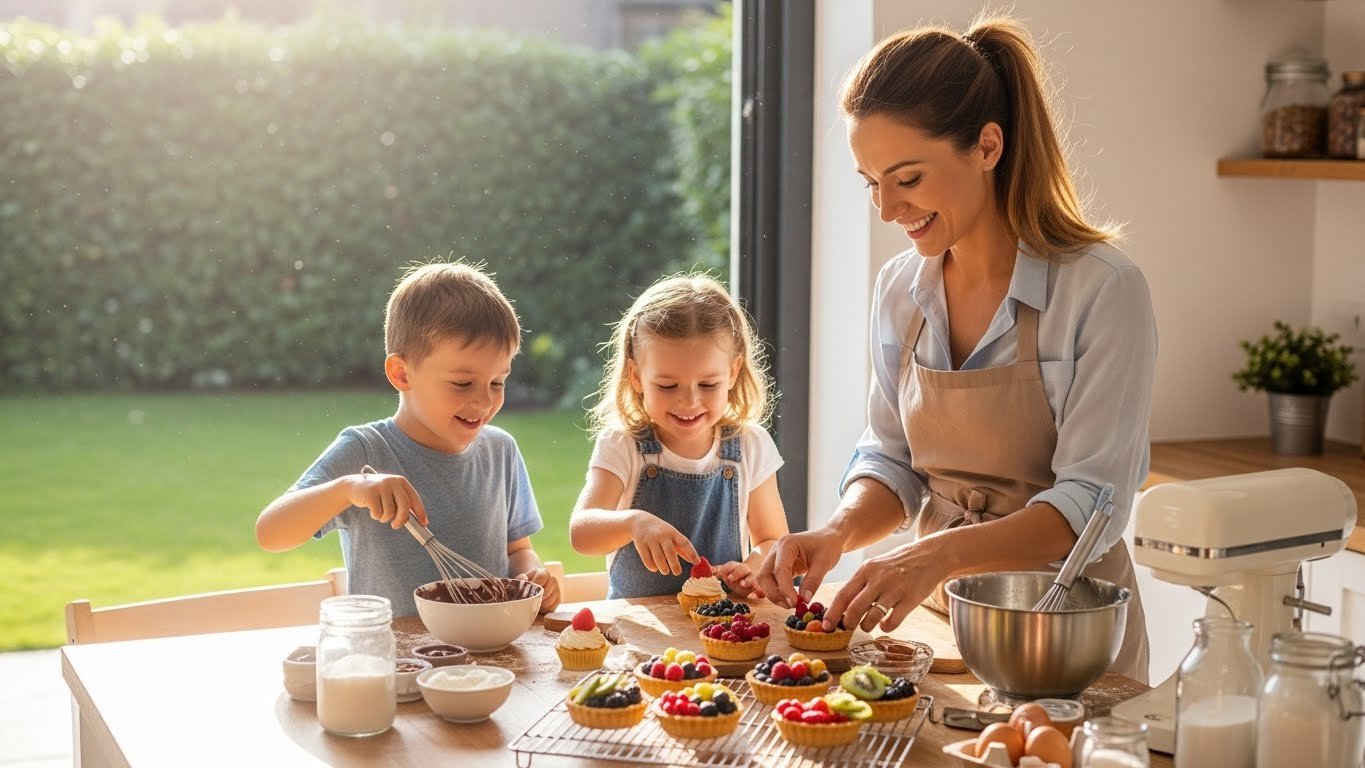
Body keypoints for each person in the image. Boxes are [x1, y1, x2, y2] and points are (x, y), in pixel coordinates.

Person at [754, 13, 1154, 683]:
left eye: (907, 179)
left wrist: (936, 555)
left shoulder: (1102, 289)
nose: (885, 208)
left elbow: (1090, 503)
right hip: (934, 622)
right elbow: (892, 457)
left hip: (1064, 628)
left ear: (987, 146)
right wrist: (838, 532)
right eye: (870, 182)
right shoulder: (899, 290)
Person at [255, 262, 561, 618]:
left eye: (497, 382)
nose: (484, 401)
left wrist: (531, 577)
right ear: (402, 373)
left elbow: (516, 550)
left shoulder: (501, 451)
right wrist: (349, 488)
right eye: (462, 383)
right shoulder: (365, 451)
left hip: (487, 662)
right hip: (397, 661)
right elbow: (270, 532)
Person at [570, 273, 789, 600]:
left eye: (708, 385)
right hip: (640, 636)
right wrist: (632, 523)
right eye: (667, 386)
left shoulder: (751, 445)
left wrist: (755, 566)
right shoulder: (623, 445)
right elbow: (581, 534)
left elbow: (773, 541)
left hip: (724, 631)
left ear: (732, 372)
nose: (689, 401)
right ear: (636, 376)